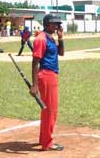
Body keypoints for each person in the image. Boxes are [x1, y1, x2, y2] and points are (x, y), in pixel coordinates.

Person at [30, 14, 65, 151]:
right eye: (54, 24)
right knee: (50, 111)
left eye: (58, 24)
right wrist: (34, 84)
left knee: (47, 110)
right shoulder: (41, 39)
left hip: (52, 75)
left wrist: (61, 37)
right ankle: (47, 142)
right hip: (46, 76)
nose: (56, 26)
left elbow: (61, 53)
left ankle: (43, 138)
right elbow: (35, 62)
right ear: (47, 24)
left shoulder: (50, 38)